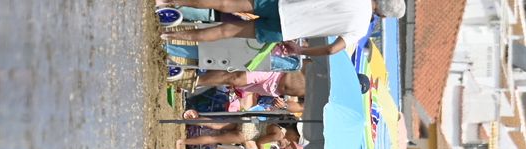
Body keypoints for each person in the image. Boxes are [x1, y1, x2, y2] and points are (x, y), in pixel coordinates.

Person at [164, 0, 406, 57]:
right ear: (384, 14)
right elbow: (333, 50)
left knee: (227, 2)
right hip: (287, 29)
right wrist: (299, 52)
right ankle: (168, 37)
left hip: (286, 4)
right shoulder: (361, 27)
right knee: (227, 31)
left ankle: (170, 2)